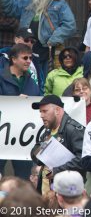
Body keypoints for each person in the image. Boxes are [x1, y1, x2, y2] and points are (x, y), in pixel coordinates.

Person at [0, 0, 76, 88]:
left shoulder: (60, 5)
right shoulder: (29, 1)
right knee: (23, 77)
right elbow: (11, 7)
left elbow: (70, 25)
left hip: (45, 49)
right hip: (25, 46)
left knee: (42, 79)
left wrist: (53, 39)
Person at [30, 95, 85, 194]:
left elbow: (83, 159)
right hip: (46, 192)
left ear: (57, 111)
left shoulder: (73, 129)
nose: (41, 115)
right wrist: (42, 148)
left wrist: (57, 171)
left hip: (66, 191)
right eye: (40, 112)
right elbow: (36, 155)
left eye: (45, 111)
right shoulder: (48, 131)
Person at [0, 44, 40, 180]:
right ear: (13, 59)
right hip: (1, 134)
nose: (29, 61)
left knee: (24, 178)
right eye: (25, 58)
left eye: (30, 58)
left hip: (24, 136)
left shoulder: (31, 80)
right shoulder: (0, 77)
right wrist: (15, 101)